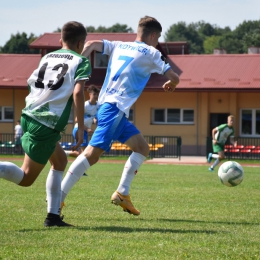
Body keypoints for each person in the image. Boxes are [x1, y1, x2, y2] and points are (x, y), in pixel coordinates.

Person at [60, 16, 180, 217]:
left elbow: (91, 44)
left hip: (111, 109)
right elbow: (174, 77)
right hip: (115, 108)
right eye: (157, 37)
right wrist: (172, 84)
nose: (157, 41)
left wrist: (79, 58)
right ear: (152, 35)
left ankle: (122, 193)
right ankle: (59, 195)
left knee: (142, 147)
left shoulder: (119, 45)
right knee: (91, 154)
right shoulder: (152, 52)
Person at [0, 21, 91, 227]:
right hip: (46, 124)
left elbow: (33, 83)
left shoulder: (47, 57)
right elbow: (78, 92)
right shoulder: (81, 61)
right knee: (26, 178)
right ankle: (52, 217)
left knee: (59, 162)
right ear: (80, 43)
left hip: (29, 114)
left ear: (60, 41)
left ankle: (53, 217)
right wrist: (80, 125)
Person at [65, 84, 100, 159]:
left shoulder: (98, 105)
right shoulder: (85, 105)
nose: (96, 96)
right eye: (94, 94)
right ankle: (64, 153)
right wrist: (87, 128)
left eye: (97, 94)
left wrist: (96, 121)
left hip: (85, 131)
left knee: (81, 153)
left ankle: (64, 153)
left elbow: (94, 117)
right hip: (79, 129)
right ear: (89, 94)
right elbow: (76, 119)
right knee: (85, 153)